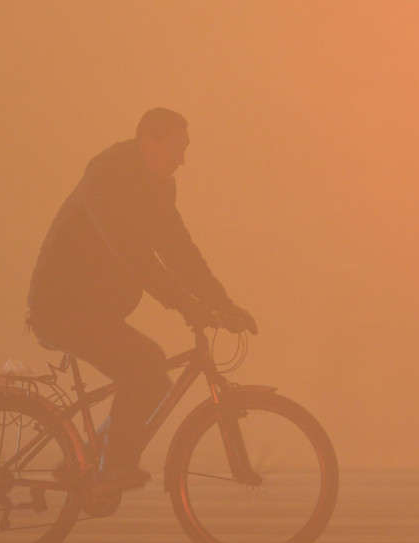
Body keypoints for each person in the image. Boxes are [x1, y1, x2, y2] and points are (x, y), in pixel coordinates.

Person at [26, 108, 257, 493]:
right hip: (61, 306)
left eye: (186, 149)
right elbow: (132, 255)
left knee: (148, 373)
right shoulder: (107, 178)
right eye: (176, 148)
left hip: (93, 307)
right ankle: (112, 466)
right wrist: (185, 304)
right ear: (146, 143)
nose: (183, 159)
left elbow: (180, 251)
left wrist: (222, 302)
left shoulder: (159, 185)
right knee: (147, 369)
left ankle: (85, 462)